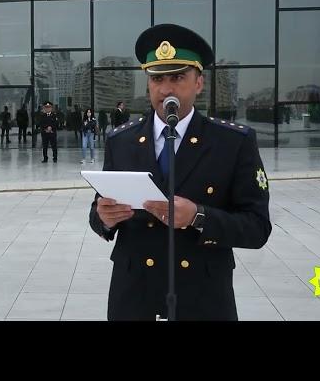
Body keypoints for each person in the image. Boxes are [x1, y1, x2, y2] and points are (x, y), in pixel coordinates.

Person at [89, 23, 271, 321]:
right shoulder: (121, 141)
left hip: (202, 297)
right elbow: (98, 214)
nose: (166, 88)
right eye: (157, 78)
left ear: (198, 83)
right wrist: (104, 219)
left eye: (178, 77)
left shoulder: (232, 143)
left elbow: (257, 227)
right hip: (135, 297)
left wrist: (199, 216)